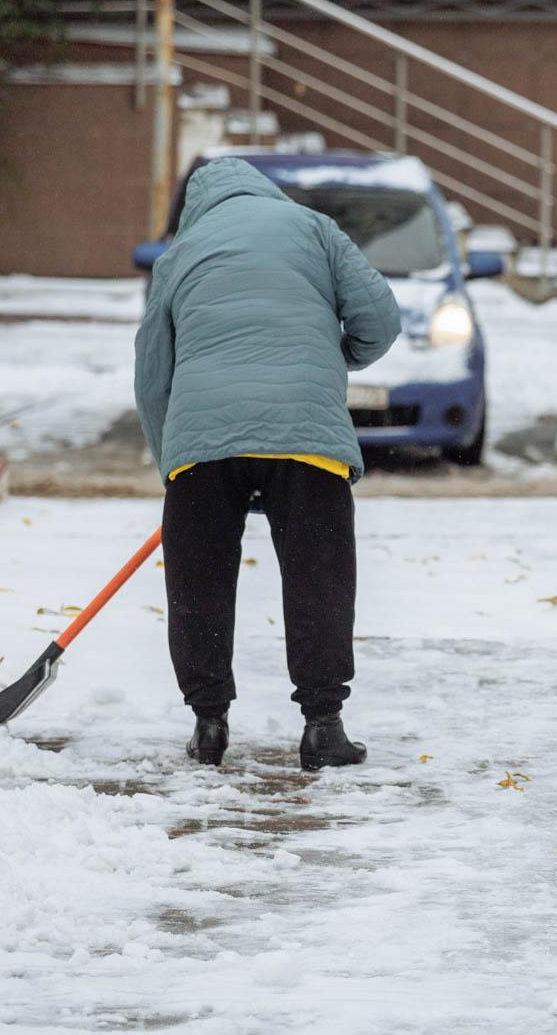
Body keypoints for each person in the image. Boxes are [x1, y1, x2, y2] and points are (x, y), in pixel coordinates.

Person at [133, 157, 401, 771]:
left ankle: (208, 724)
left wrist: (174, 465)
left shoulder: (181, 252)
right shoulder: (312, 228)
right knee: (318, 577)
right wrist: (333, 356)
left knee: (199, 581)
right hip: (306, 432)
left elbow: (152, 373)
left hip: (204, 439)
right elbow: (381, 321)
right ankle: (324, 726)